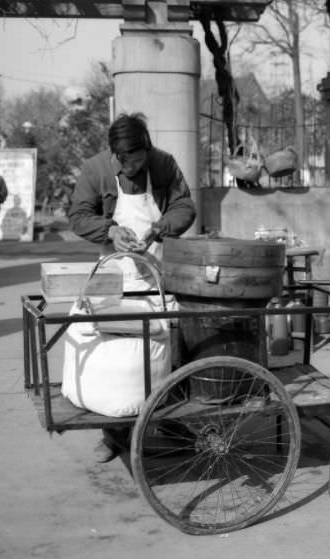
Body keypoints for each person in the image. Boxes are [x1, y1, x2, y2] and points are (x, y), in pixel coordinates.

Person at [68, 112, 196, 462]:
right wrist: (110, 231)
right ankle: (114, 434)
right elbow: (78, 215)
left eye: (140, 160)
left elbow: (186, 206)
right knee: (115, 349)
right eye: (127, 163)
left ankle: (170, 422)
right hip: (113, 275)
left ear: (147, 150)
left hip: (157, 272)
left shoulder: (164, 164)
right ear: (115, 156)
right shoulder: (95, 170)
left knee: (168, 344)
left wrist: (160, 228)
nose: (134, 168)